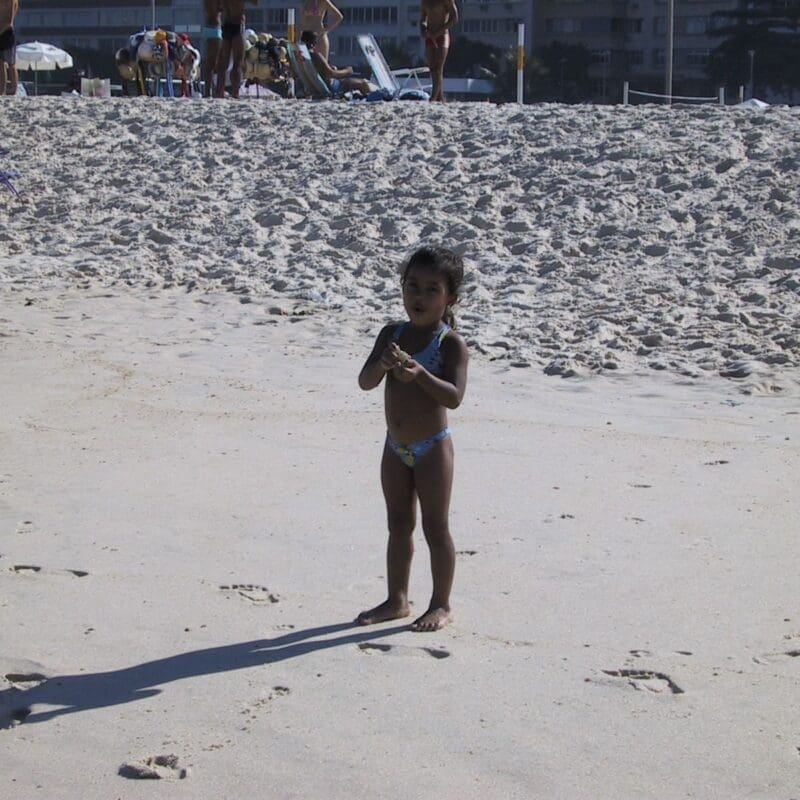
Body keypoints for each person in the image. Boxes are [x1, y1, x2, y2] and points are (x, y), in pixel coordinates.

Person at [356, 246, 469, 633]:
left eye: (431, 290)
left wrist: (420, 374)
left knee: (435, 527)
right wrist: (382, 364)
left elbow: (454, 397)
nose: (418, 297)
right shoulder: (392, 334)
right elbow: (365, 382)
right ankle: (397, 599)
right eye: (412, 286)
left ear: (449, 298)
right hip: (394, 447)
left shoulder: (448, 343)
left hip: (432, 448)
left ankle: (441, 604)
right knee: (398, 523)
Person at [300, 30, 372, 96]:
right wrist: (347, 71)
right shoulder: (315, 55)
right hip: (332, 86)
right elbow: (331, 74)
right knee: (363, 83)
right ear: (314, 43)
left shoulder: (303, 55)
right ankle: (372, 101)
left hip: (319, 87)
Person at [215, 0, 257, 98]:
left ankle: (219, 93)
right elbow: (255, 3)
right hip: (237, 25)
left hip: (225, 25)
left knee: (223, 64)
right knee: (237, 63)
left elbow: (218, 8)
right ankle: (235, 93)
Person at [419, 0, 457, 102]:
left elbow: (454, 18)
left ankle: (433, 97)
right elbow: (423, 18)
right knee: (432, 67)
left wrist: (439, 31)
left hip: (442, 35)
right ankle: (440, 97)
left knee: (438, 67)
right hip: (430, 36)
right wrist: (423, 28)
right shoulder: (425, 2)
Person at [201, 0, 222, 97]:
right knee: (218, 64)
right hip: (216, 28)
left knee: (209, 64)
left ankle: (207, 91)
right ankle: (216, 92)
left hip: (207, 28)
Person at [0, 0, 18, 97]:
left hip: (7, 33)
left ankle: (14, 90)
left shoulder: (11, 1)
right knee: (1, 63)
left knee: (11, 63)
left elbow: (9, 22)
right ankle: (2, 90)